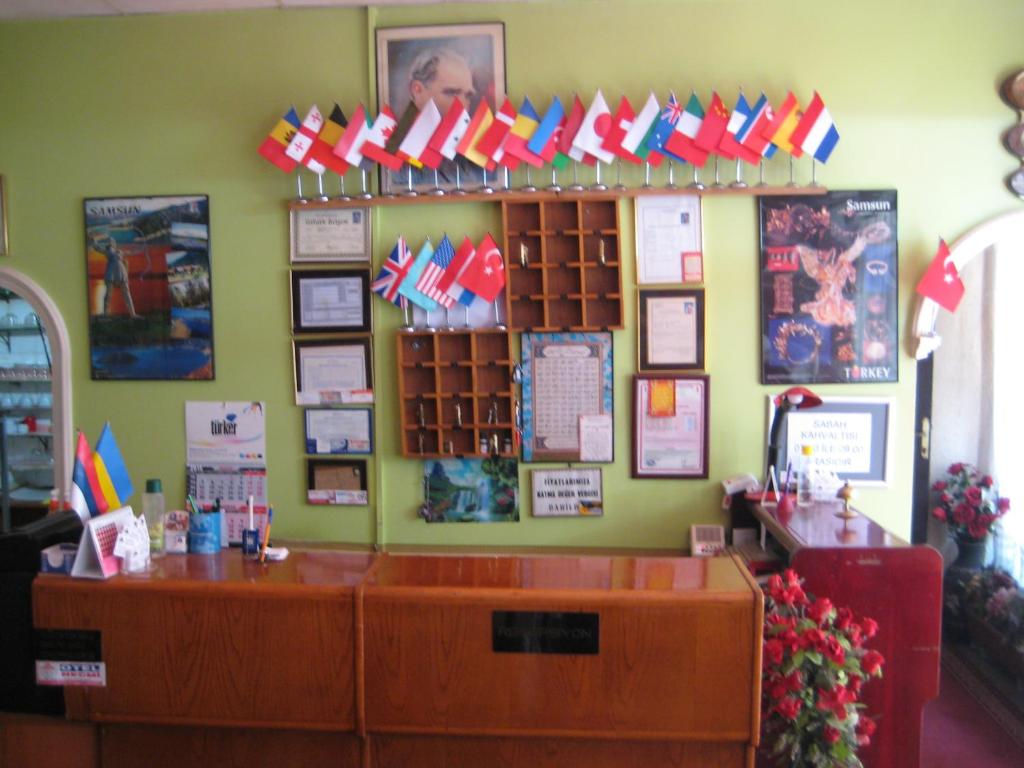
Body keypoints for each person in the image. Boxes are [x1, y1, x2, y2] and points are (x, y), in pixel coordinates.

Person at [93, 235, 139, 318]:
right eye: (109, 241)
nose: (111, 242)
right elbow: (96, 247)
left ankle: (133, 314)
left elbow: (127, 260)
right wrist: (95, 239)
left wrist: (126, 273)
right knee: (108, 295)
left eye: (112, 241)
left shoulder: (120, 252)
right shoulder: (107, 251)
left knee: (127, 294)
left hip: (122, 273)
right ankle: (106, 314)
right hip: (111, 273)